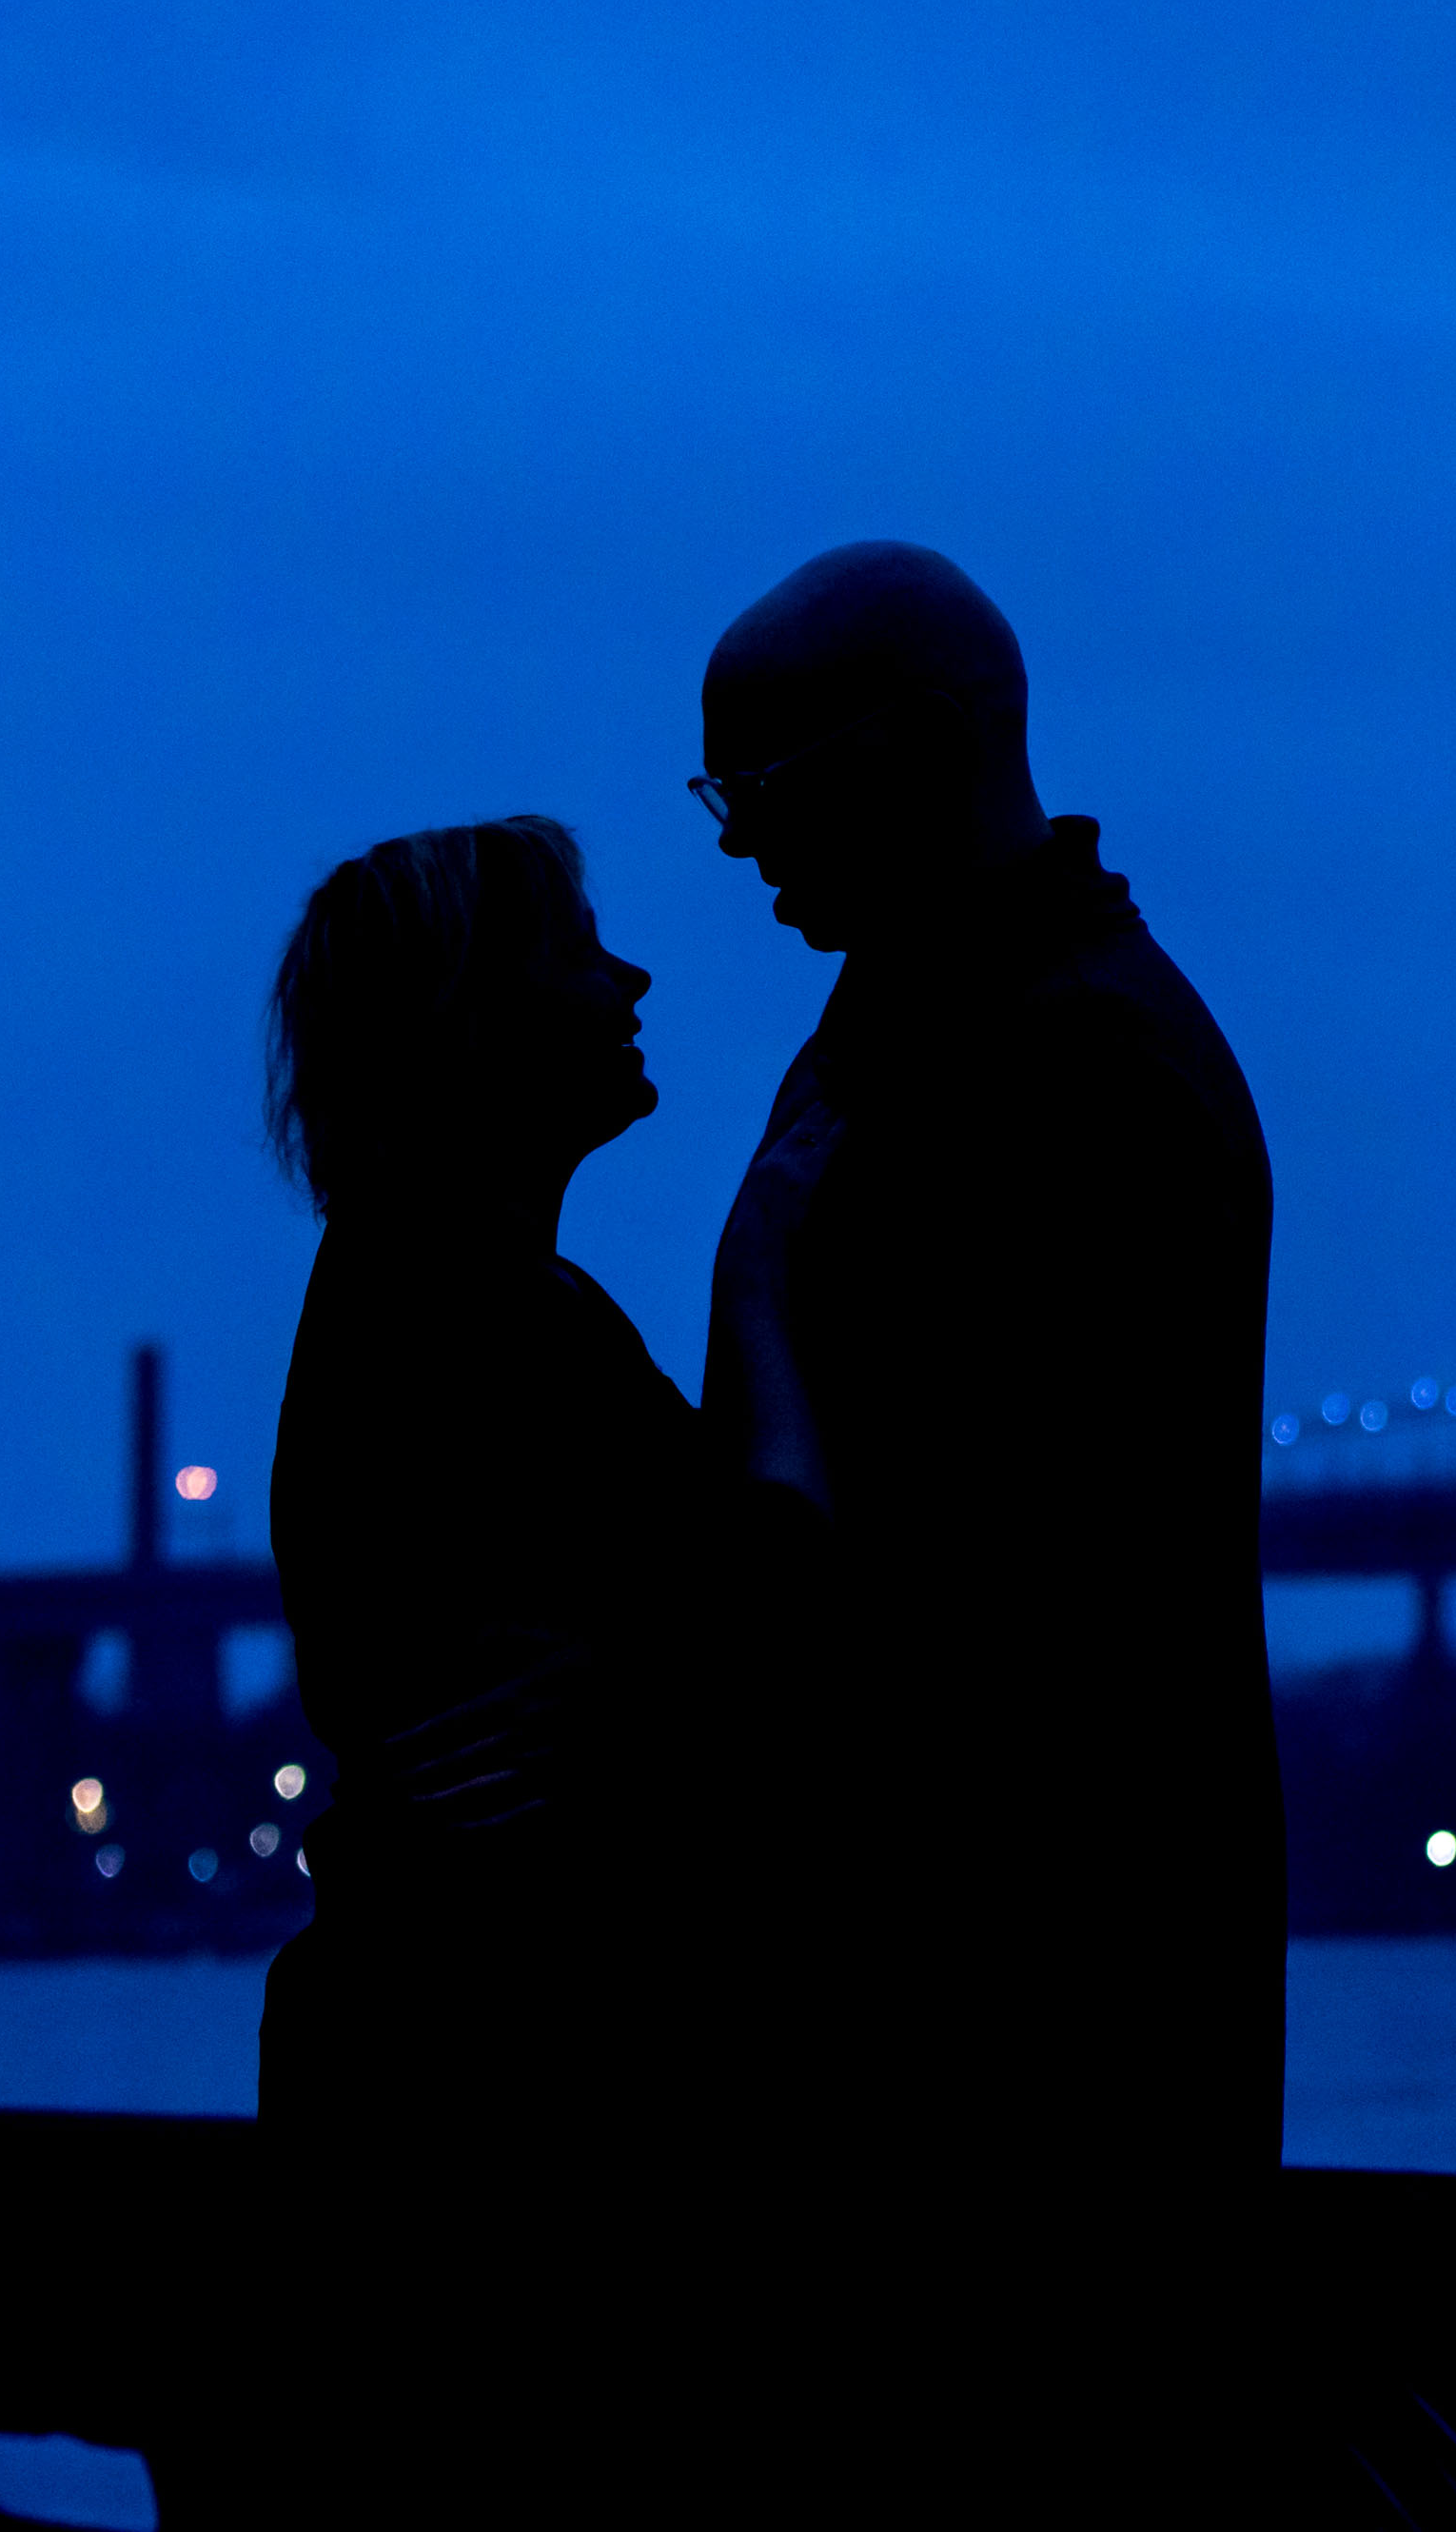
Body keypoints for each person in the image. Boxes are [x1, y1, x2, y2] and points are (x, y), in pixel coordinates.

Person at [692, 543, 1284, 2231]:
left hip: (1017, 2063)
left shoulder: (1073, 1071)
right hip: (972, 2038)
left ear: (929, 736)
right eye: (717, 795)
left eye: (766, 784)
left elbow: (947, 1602)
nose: (739, 845)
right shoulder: (943, 1024)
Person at [248, 815, 755, 2487]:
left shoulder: (407, 1300)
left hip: (404, 2108)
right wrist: (775, 1296)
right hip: (516, 2148)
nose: (629, 974)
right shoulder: (499, 1328)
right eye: (573, 947)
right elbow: (783, 1607)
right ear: (473, 1015)